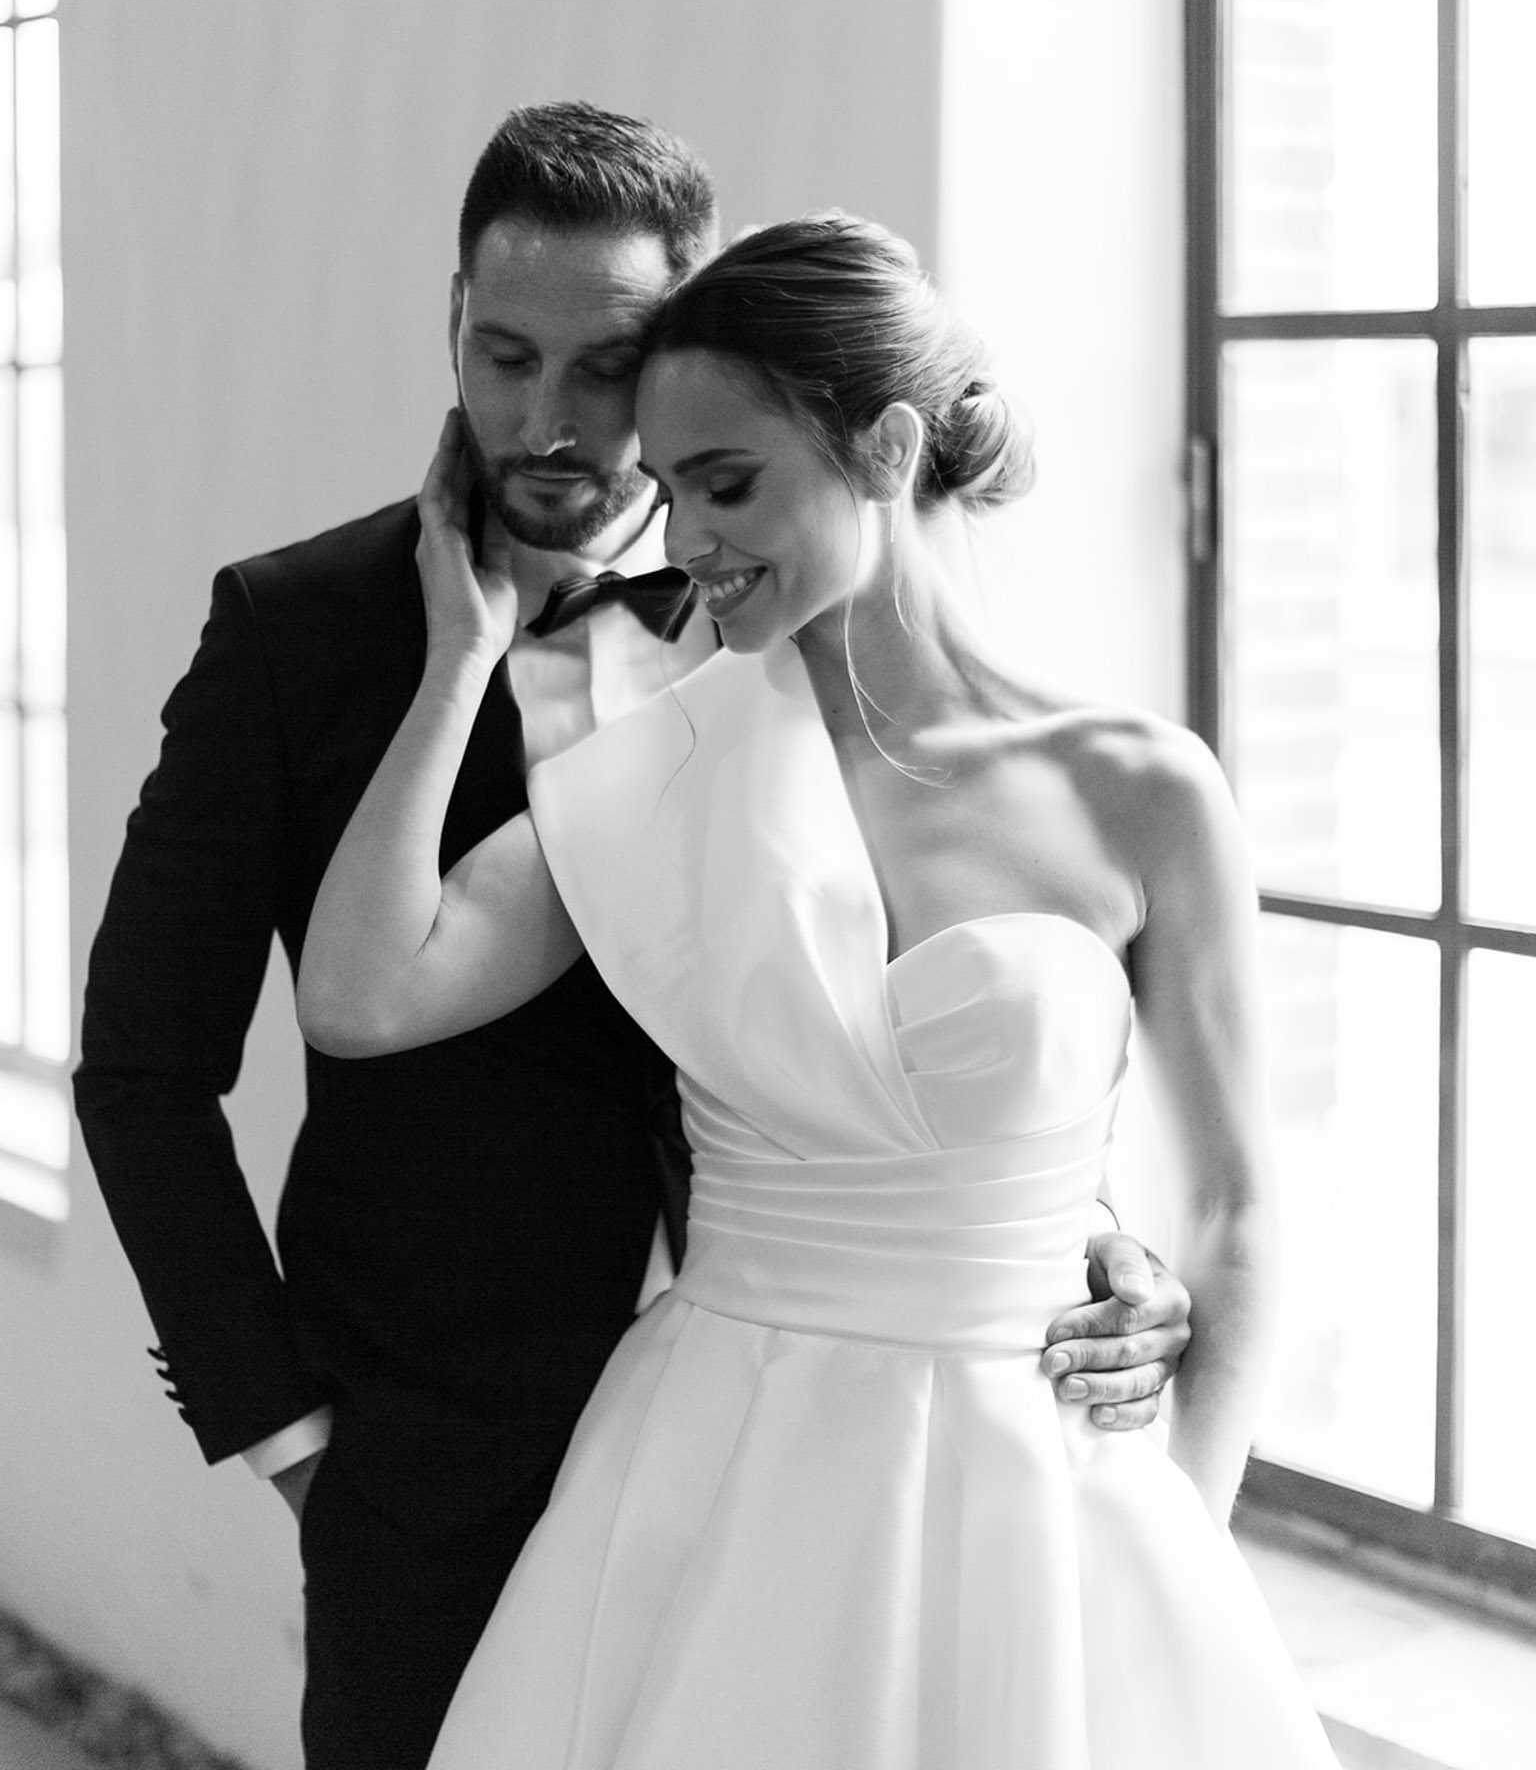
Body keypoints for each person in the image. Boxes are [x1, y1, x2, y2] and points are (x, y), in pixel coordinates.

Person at [75, 108, 1191, 1770]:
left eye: (605, 369)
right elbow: (144, 1073)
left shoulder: (790, 614)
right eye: (501, 353)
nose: (546, 419)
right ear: (447, 319)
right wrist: (289, 1429)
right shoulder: (293, 634)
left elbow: (919, 977)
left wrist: (1081, 1233)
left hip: (799, 1465)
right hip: (439, 1468)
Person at [299, 212, 1340, 1768]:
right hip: (724, 1483)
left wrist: (1162, 1546)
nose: (689, 542)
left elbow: (1247, 1212)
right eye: (671, 494)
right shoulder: (663, 761)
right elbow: (361, 993)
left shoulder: (1141, 790)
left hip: (1046, 1499)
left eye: (731, 485)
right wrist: (465, 660)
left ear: (887, 443)